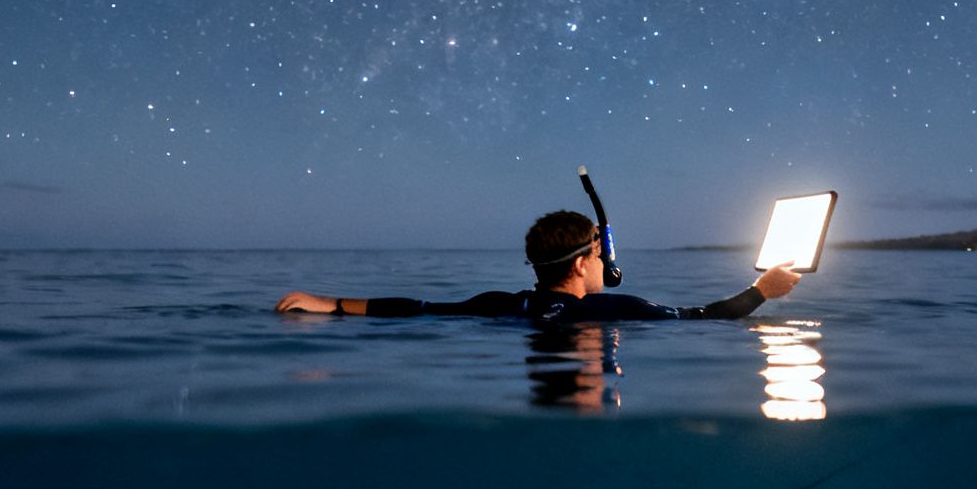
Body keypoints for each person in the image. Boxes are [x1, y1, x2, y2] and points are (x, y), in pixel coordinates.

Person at [275, 210, 802, 322]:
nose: (606, 261)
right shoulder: (617, 309)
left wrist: (331, 304)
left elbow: (416, 307)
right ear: (580, 265)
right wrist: (763, 290)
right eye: (600, 251)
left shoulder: (500, 304)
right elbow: (711, 315)